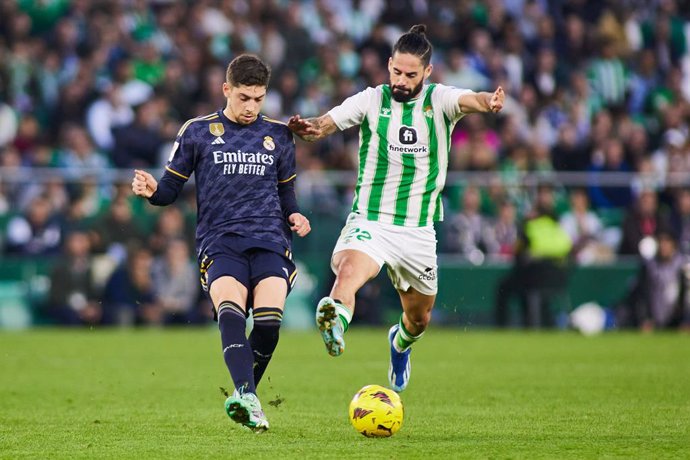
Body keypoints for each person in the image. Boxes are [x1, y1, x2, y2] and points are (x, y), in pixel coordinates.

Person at [287, 24, 504, 392]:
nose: (401, 80)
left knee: (418, 319)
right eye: (396, 72)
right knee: (349, 272)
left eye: (411, 74)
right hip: (371, 219)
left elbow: (471, 100)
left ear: (427, 72)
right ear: (388, 65)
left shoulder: (439, 101)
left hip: (417, 230)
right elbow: (325, 124)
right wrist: (307, 127)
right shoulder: (372, 100)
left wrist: (488, 102)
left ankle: (399, 344)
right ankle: (336, 320)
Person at [131, 54, 311, 432]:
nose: (251, 107)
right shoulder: (197, 131)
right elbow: (167, 192)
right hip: (220, 241)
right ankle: (247, 395)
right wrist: (150, 191)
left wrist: (296, 215)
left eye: (259, 99)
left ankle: (247, 395)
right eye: (244, 97)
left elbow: (287, 194)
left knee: (268, 323)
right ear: (226, 89)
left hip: (270, 240)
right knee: (230, 310)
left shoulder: (279, 134)